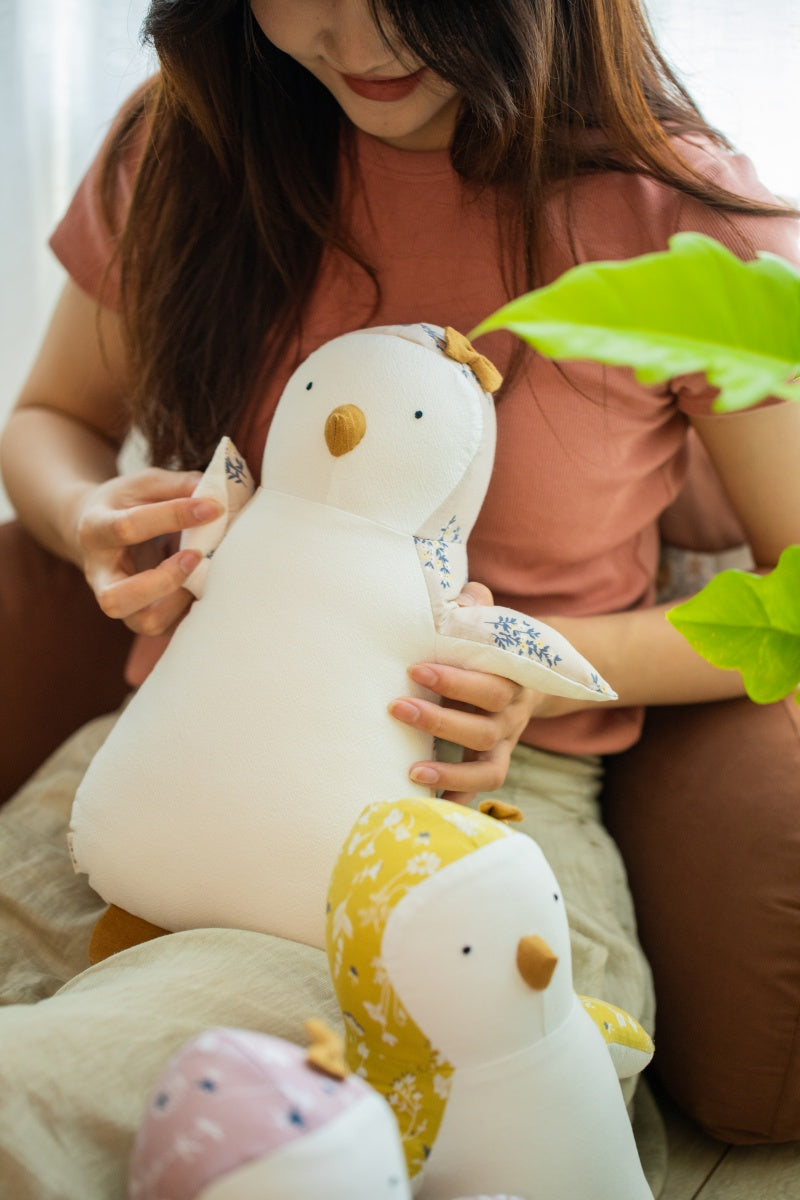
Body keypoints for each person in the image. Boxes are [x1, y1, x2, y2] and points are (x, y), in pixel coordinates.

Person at [0, 0, 798, 1192]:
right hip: (161, 748)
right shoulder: (185, 139)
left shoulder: (683, 225)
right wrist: (87, 520)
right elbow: (53, 416)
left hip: (465, 808)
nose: (358, 38)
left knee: (113, 1095)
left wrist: (528, 668)